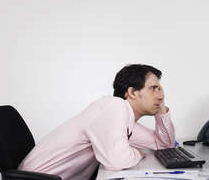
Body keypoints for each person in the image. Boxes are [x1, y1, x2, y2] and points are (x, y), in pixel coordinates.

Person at [18, 64, 175, 180]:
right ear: (132, 92)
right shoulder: (114, 106)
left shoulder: (123, 120)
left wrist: (162, 113)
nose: (161, 95)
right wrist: (137, 153)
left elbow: (163, 145)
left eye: (160, 89)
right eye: (153, 88)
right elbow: (117, 160)